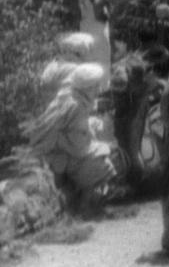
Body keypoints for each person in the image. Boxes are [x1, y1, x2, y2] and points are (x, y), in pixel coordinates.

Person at [20, 63, 118, 212]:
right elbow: (78, 146)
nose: (98, 90)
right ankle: (84, 205)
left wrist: (90, 128)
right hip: (58, 149)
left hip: (59, 143)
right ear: (87, 87)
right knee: (104, 163)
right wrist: (102, 146)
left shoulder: (70, 95)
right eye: (95, 86)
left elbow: (74, 130)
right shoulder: (76, 105)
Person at [78, 0, 119, 93]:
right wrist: (103, 16)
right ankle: (100, 97)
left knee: (87, 68)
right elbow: (97, 3)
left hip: (85, 29)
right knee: (101, 69)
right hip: (98, 32)